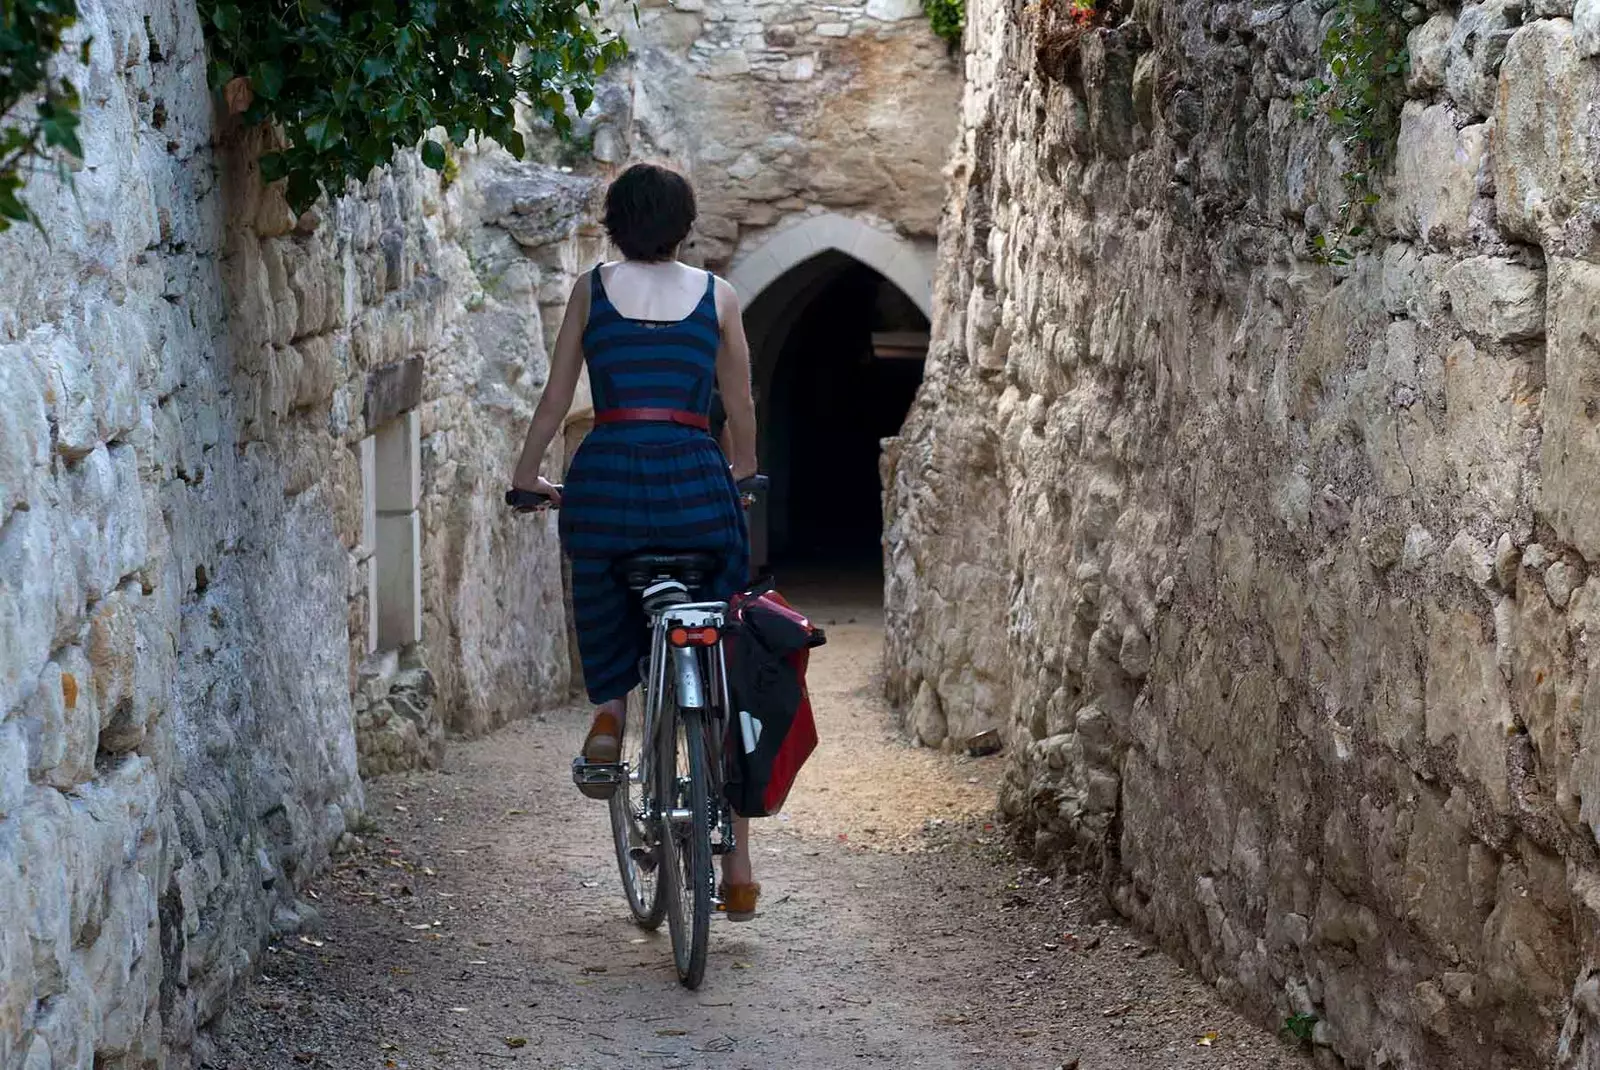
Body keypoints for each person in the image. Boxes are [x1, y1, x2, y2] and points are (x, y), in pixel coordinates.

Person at [509, 162, 762, 920]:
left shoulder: (592, 289)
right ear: (685, 224)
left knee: (601, 574)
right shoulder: (719, 297)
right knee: (723, 644)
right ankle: (741, 864)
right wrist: (739, 476)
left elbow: (559, 396)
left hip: (611, 473)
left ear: (614, 222)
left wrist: (527, 475)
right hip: (693, 478)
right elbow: (740, 404)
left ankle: (612, 714)